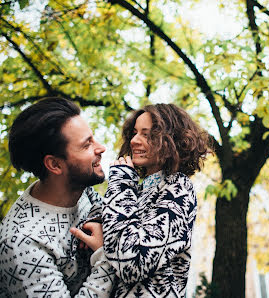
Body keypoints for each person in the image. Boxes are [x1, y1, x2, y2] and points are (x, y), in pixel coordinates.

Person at [74, 103, 211, 297]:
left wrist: (121, 181)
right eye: (135, 132)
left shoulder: (178, 188)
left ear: (171, 140)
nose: (134, 140)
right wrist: (97, 222)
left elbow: (133, 262)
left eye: (147, 135)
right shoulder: (137, 188)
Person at [0, 97, 115, 297]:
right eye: (86, 145)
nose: (101, 148)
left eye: (93, 138)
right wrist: (106, 257)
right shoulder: (21, 243)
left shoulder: (80, 188)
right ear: (55, 165)